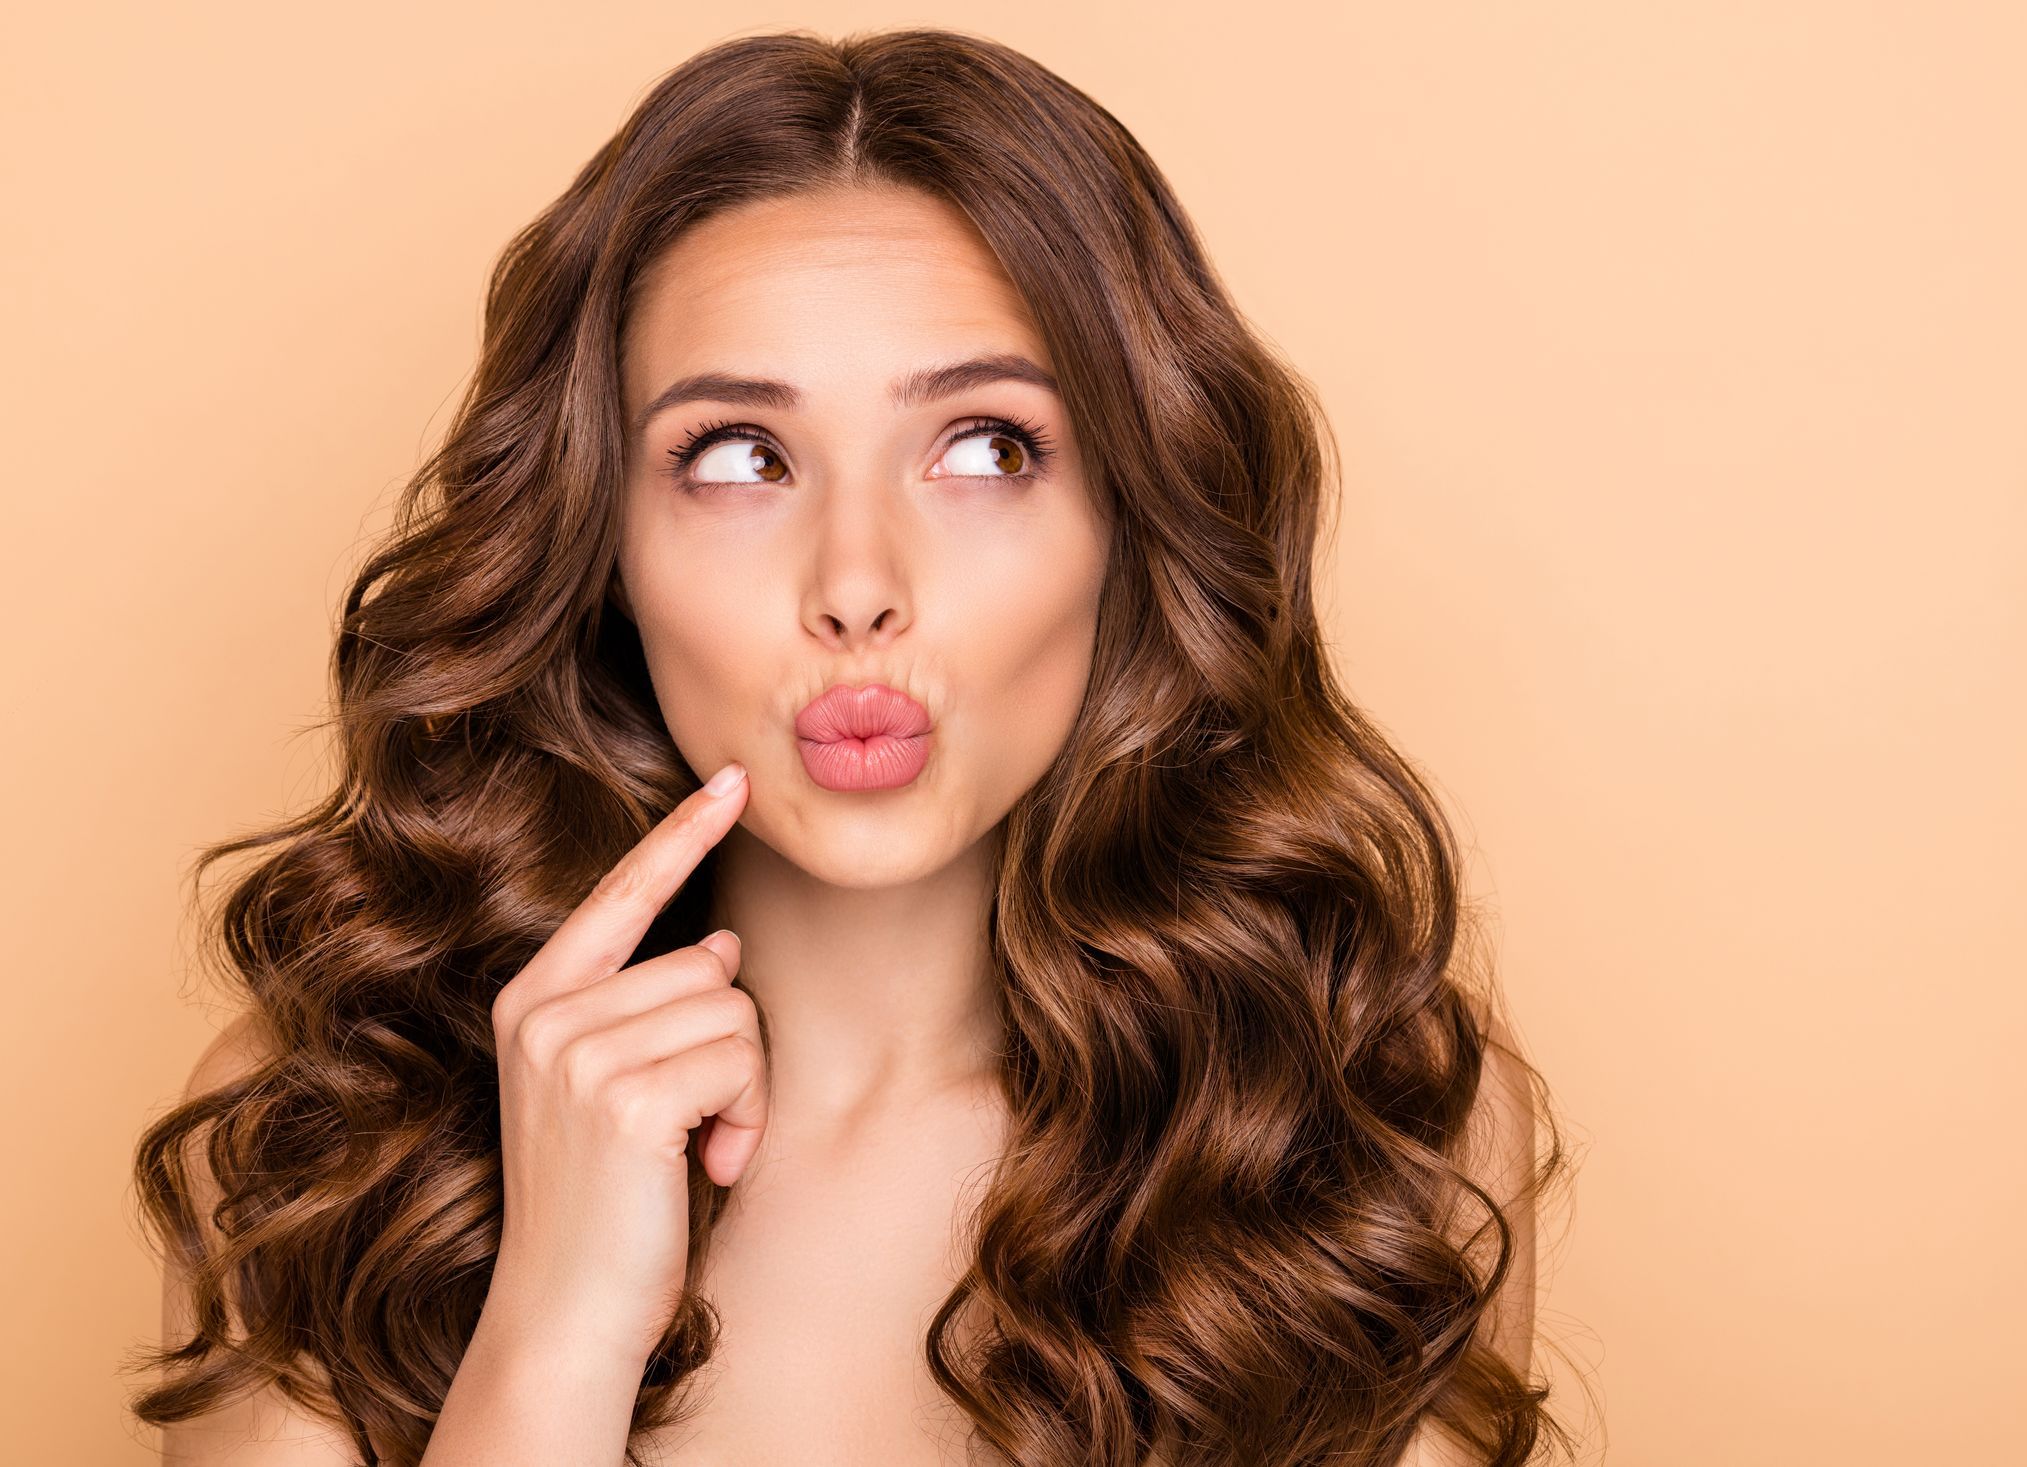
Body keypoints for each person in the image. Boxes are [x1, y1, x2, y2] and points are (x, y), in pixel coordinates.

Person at [128, 26, 1569, 1467]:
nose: (857, 582)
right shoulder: (336, 1122)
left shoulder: (1374, 1108)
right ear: (601, 545)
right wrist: (555, 1329)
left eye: (986, 448)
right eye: (740, 457)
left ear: (1129, 520)